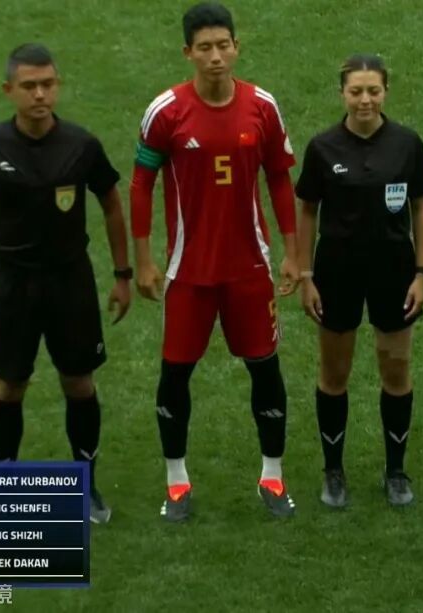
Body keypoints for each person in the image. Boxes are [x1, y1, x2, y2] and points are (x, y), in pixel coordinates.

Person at [130, 2, 300, 520]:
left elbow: (279, 178)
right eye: (204, 48)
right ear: (188, 52)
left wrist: (293, 253)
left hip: (250, 269)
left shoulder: (262, 107)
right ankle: (176, 483)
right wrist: (143, 260)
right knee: (175, 374)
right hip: (189, 273)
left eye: (223, 45)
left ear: (236, 47)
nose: (216, 56)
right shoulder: (166, 112)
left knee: (265, 369)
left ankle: (273, 476)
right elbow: (141, 184)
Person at [0, 43, 131, 524]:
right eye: (29, 86)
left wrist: (122, 276)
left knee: (79, 382)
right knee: (10, 386)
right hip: (12, 282)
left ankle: (86, 485)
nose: (39, 95)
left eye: (48, 84)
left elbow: (112, 204)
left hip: (70, 281)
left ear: (58, 86)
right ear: (8, 90)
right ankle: (3, 484)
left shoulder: (81, 146)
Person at [295, 54, 423, 508]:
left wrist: (422, 274)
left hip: (394, 271)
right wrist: (305, 275)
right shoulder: (322, 148)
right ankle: (333, 472)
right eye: (356, 91)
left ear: (385, 92)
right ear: (342, 93)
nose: (365, 100)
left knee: (395, 370)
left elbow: (421, 207)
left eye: (373, 91)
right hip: (336, 272)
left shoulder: (406, 144)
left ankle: (395, 471)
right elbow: (307, 211)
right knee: (334, 373)